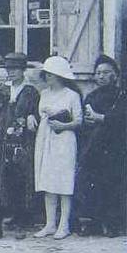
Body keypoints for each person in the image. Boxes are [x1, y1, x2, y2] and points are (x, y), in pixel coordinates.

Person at [0, 52, 41, 240]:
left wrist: (30, 116)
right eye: (8, 69)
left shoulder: (30, 91)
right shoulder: (4, 89)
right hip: (2, 139)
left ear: (22, 70)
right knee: (0, 182)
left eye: (14, 69)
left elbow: (34, 114)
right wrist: (1, 99)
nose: (10, 73)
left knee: (19, 181)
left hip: (20, 141)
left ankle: (20, 224)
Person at [75, 55, 127, 237]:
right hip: (94, 147)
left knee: (112, 184)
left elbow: (126, 119)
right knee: (92, 184)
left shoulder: (122, 96)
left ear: (115, 75)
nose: (101, 76)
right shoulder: (91, 96)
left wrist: (103, 118)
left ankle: (111, 223)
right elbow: (84, 123)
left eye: (106, 72)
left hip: (115, 148)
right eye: (98, 73)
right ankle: (94, 222)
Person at [33, 55, 83, 240]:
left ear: (60, 76)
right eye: (46, 74)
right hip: (45, 138)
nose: (48, 78)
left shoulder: (72, 95)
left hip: (64, 139)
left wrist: (63, 125)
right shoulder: (44, 94)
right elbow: (40, 115)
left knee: (63, 181)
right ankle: (50, 224)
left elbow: (79, 121)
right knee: (48, 181)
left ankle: (64, 225)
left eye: (51, 75)